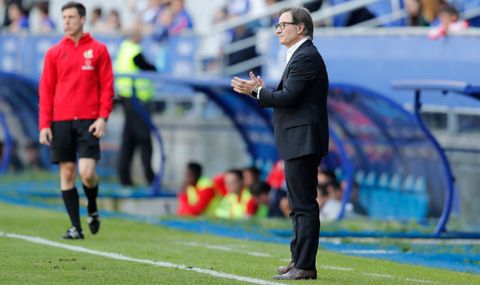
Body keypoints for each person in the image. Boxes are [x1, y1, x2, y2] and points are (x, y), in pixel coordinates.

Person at [231, 7, 329, 280]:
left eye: (283, 24)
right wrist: (259, 91)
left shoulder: (306, 56)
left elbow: (289, 98)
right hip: (298, 139)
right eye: (277, 24)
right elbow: (287, 96)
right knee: (297, 205)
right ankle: (298, 259)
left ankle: (305, 265)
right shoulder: (299, 55)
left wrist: (257, 91)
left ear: (300, 28)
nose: (278, 29)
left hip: (303, 140)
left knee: (303, 205)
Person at [38, 1, 114, 240]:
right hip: (60, 122)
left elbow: (107, 87)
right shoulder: (54, 53)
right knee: (68, 172)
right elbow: (46, 90)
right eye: (64, 17)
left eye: (71, 17)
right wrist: (44, 125)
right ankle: (75, 227)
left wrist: (103, 117)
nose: (67, 22)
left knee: (87, 172)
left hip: (88, 121)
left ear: (82, 19)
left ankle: (92, 206)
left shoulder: (99, 50)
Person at [115, 29, 157, 187]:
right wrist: (155, 69)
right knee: (144, 139)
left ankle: (124, 178)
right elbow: (146, 66)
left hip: (128, 99)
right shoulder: (134, 50)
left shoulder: (123, 49)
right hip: (136, 99)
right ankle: (150, 178)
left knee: (129, 140)